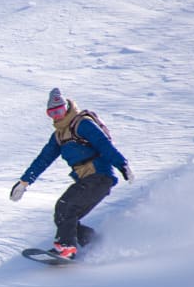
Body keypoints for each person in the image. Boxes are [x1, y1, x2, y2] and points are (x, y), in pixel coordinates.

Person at [10, 88, 134, 260]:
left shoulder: (82, 124)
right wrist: (24, 182)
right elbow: (43, 159)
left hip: (100, 177)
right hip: (87, 180)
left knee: (66, 207)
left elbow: (103, 144)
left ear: (67, 107)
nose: (57, 116)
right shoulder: (59, 135)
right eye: (52, 113)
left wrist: (122, 165)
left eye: (59, 111)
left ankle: (67, 248)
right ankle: (93, 241)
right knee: (62, 214)